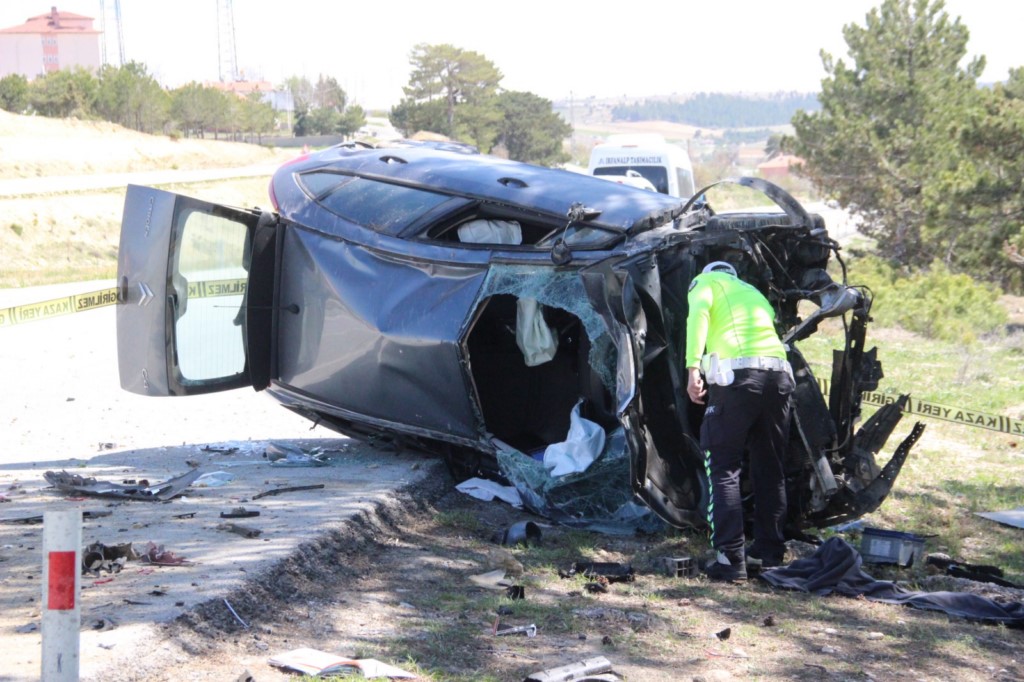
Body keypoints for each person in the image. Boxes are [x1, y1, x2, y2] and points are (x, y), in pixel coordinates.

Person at [684, 261, 795, 582]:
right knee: (770, 467)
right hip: (779, 378)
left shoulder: (704, 281)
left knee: (723, 467)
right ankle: (769, 552)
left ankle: (730, 559)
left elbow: (699, 315)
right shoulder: (754, 293)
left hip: (738, 379)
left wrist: (693, 367)